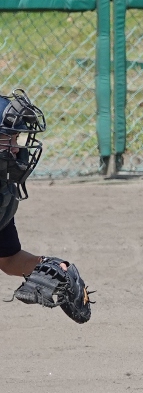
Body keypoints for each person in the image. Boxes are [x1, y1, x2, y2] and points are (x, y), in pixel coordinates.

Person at [1, 89, 92, 323]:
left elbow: (8, 259)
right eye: (6, 138)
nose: (15, 148)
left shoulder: (3, 192)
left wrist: (48, 268)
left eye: (16, 138)